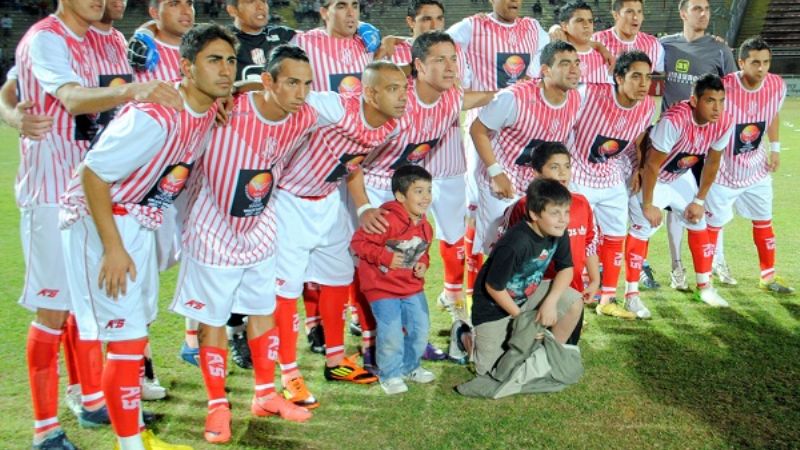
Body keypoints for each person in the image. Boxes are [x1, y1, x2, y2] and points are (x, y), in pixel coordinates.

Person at [11, 0, 181, 445]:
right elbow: (63, 96)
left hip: (97, 190)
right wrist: (13, 115)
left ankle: (91, 401)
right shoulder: (45, 38)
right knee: (54, 308)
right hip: (51, 191)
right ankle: (44, 430)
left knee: (88, 306)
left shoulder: (110, 40)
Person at [59, 23, 236, 450]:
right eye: (214, 60)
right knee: (124, 339)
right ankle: (130, 444)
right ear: (186, 68)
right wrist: (113, 248)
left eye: (231, 60)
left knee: (135, 336)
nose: (226, 70)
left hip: (140, 220)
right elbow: (92, 175)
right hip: (103, 224)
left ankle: (135, 436)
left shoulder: (205, 107)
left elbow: (236, 90)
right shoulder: (154, 116)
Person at [171, 44, 336, 443]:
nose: (301, 93)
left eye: (307, 84)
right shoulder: (226, 111)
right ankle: (217, 407)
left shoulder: (305, 117)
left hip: (261, 228)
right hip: (212, 230)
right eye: (292, 83)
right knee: (213, 320)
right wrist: (232, 90)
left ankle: (265, 395)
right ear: (268, 81)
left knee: (263, 313)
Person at [272, 61, 406, 403]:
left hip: (327, 200)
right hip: (289, 199)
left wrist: (362, 208)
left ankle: (336, 360)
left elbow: (353, 163)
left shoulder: (389, 126)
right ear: (371, 93)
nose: (403, 96)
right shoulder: (335, 107)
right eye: (393, 89)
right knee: (286, 289)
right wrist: (241, 92)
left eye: (404, 88)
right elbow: (281, 96)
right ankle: (289, 373)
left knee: (337, 277)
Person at [447, 0, 551, 301]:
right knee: (480, 210)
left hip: (521, 129)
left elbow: (553, 52)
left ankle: (505, 285)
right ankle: (469, 289)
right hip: (484, 131)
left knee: (512, 212)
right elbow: (438, 46)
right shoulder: (471, 27)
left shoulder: (533, 29)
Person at [625, 73, 734, 310]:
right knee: (642, 226)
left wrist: (699, 199)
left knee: (698, 220)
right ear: (694, 101)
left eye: (721, 101)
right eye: (710, 101)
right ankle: (630, 295)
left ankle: (704, 287)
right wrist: (648, 204)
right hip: (650, 175)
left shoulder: (725, 122)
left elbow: (712, 162)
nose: (717, 108)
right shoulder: (675, 120)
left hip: (679, 175)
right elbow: (652, 165)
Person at [469, 40, 581, 257]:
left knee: (538, 248)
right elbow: (477, 129)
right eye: (565, 63)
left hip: (538, 184)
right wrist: (495, 173)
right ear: (545, 70)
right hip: (503, 182)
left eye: (577, 63)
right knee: (499, 250)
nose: (574, 69)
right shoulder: (514, 98)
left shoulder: (575, 99)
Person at [567, 50, 656, 319]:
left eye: (648, 77)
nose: (643, 84)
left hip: (611, 175)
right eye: (636, 76)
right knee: (575, 237)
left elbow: (638, 139)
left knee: (616, 234)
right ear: (618, 77)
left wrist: (638, 169)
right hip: (578, 176)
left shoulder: (647, 106)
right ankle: (573, 293)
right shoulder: (589, 94)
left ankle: (607, 297)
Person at [705, 37, 794, 295]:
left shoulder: (777, 85)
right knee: (713, 225)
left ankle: (768, 276)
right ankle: (705, 279)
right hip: (724, 171)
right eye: (755, 62)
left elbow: (773, 114)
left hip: (756, 168)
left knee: (764, 220)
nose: (762, 68)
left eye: (766, 62)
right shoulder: (724, 87)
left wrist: (775, 148)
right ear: (741, 62)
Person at [660, 0, 737, 289]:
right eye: (697, 8)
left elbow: (733, 89)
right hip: (673, 143)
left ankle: (717, 259)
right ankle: (676, 266)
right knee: (674, 208)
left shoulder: (719, 48)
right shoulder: (665, 46)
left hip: (706, 141)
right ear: (683, 13)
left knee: (709, 203)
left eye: (706, 9)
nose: (703, 13)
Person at [471, 178, 583, 376]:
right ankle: (462, 335)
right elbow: (493, 287)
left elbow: (566, 268)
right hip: (493, 307)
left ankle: (548, 355)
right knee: (488, 371)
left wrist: (550, 302)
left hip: (526, 296)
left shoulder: (558, 230)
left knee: (574, 301)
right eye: (555, 213)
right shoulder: (516, 243)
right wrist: (524, 321)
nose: (563, 219)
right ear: (534, 214)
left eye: (566, 211)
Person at [351, 165, 435, 395]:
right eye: (418, 191)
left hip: (411, 288)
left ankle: (410, 367)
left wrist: (423, 264)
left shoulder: (426, 226)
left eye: (428, 190)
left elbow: (424, 251)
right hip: (382, 289)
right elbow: (358, 243)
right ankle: (389, 374)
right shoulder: (385, 220)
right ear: (400, 196)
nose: (426, 197)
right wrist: (385, 256)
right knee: (391, 334)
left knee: (421, 329)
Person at [503, 142, 599, 344]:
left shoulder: (582, 204)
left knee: (562, 353)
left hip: (572, 295)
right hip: (534, 296)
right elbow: (505, 254)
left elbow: (589, 243)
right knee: (525, 354)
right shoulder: (522, 207)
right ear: (537, 172)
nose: (563, 172)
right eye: (554, 167)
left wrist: (594, 280)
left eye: (567, 166)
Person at [555, 0, 611, 84]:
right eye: (580, 20)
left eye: (590, 21)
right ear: (564, 26)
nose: (586, 25)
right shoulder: (553, 55)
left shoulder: (604, 58)